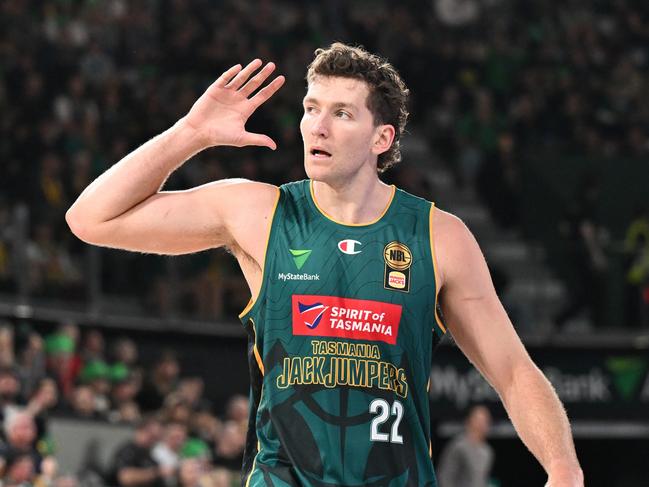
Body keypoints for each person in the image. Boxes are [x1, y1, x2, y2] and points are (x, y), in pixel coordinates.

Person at [67, 43, 583, 486]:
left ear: (381, 139)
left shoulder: (439, 236)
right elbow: (92, 219)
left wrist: (564, 470)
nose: (318, 126)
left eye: (341, 113)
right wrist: (191, 133)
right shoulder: (259, 212)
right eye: (311, 108)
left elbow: (514, 372)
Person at [437, 405, 494, 487]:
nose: (482, 425)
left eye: (486, 421)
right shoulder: (458, 446)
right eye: (479, 420)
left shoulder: (487, 451)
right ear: (469, 421)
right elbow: (445, 477)